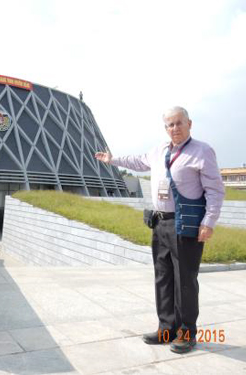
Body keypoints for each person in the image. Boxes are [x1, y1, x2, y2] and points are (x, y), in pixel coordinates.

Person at [95, 106, 225, 354]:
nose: (174, 128)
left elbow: (215, 191)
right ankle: (167, 329)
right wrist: (112, 160)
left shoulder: (202, 151)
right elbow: (137, 161)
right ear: (165, 128)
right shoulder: (158, 151)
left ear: (189, 124)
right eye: (169, 125)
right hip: (160, 223)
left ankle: (186, 333)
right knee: (163, 277)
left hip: (186, 223)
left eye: (178, 123)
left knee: (185, 280)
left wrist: (208, 222)